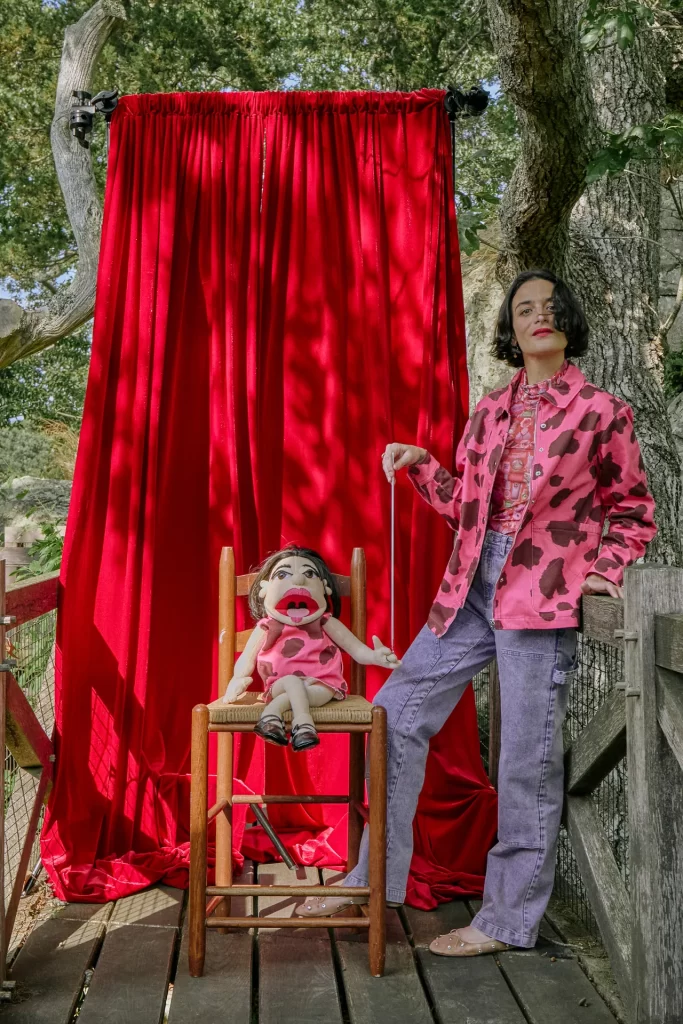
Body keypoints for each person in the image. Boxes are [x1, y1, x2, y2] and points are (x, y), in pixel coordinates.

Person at [295, 269, 657, 956]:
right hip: (469, 588)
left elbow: (634, 510)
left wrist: (602, 571)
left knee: (525, 761)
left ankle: (506, 920)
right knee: (394, 713)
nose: (538, 316)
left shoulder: (601, 411)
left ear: (566, 321)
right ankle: (371, 880)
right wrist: (421, 464)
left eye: (550, 306)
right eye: (524, 309)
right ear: (511, 329)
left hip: (541, 595)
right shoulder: (489, 411)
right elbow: (466, 506)